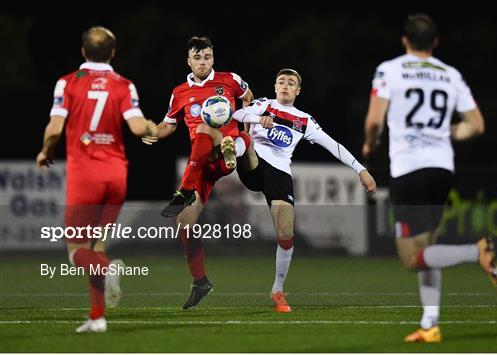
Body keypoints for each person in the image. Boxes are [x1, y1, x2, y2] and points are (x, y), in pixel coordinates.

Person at [361, 14, 497, 342]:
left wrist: (370, 144)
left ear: (405, 41)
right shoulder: (450, 74)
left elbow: (373, 120)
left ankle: (477, 251)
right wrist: (446, 132)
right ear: (435, 42)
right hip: (441, 168)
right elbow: (477, 125)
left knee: (412, 258)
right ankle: (430, 324)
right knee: (427, 248)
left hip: (409, 168)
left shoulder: (391, 69)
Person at [36, 26, 157, 333]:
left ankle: (108, 271)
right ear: (112, 53)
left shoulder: (68, 82)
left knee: (77, 250)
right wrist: (151, 128)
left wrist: (45, 152)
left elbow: (54, 129)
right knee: (97, 242)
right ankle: (97, 316)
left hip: (86, 174)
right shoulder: (123, 85)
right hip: (116, 175)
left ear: (82, 51)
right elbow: (137, 127)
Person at [232, 68, 377, 313]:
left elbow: (334, 146)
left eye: (291, 83)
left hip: (279, 173)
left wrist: (360, 170)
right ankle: (228, 153)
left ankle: (277, 290)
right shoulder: (262, 105)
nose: (285, 85)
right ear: (275, 87)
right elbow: (237, 113)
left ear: (298, 91)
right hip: (254, 163)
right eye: (281, 82)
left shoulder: (304, 120)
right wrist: (258, 119)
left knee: (286, 234)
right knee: (245, 142)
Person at [141, 36, 260, 309]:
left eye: (207, 57)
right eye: (198, 58)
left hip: (228, 149)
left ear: (213, 58)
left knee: (209, 129)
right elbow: (168, 125)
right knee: (184, 222)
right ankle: (200, 281)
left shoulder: (230, 80)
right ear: (189, 61)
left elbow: (249, 98)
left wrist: (248, 125)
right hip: (203, 162)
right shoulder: (179, 92)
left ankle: (235, 149)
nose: (203, 62)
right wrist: (152, 132)